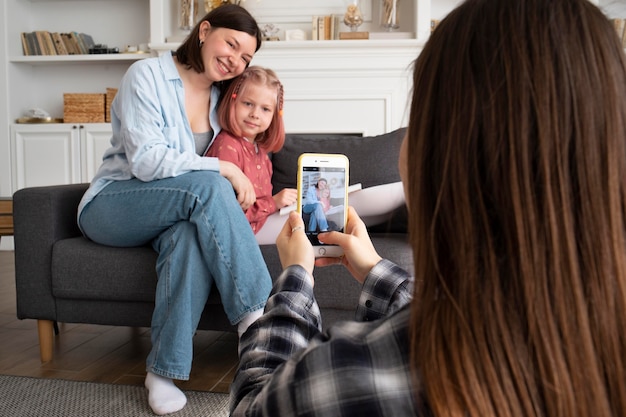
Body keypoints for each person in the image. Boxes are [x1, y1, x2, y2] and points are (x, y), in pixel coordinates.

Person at [230, 0, 626, 415]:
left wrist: (294, 279)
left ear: (435, 155)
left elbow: (253, 405)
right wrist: (374, 270)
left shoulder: (348, 373)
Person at [76, 5, 273, 415]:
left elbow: (254, 133)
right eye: (231, 44)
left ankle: (162, 372)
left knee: (188, 237)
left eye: (245, 57)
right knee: (208, 184)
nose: (235, 60)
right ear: (204, 31)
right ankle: (259, 322)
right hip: (116, 203)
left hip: (174, 211)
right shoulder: (146, 76)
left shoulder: (224, 96)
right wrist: (223, 167)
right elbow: (147, 162)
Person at [205, 66, 298, 238]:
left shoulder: (261, 153)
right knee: (302, 227)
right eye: (248, 104)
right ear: (233, 101)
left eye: (265, 109)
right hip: (240, 232)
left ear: (275, 115)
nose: (255, 114)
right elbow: (226, 214)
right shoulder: (227, 146)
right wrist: (274, 202)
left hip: (261, 224)